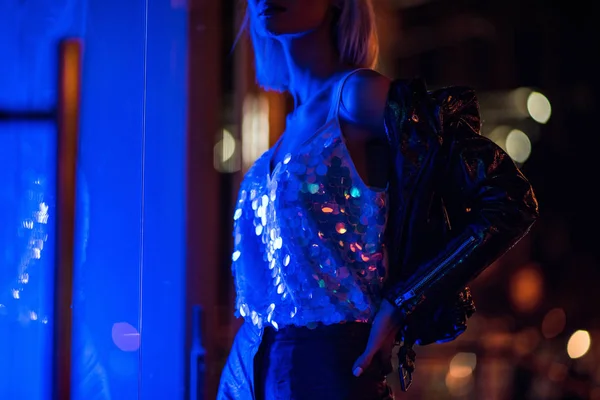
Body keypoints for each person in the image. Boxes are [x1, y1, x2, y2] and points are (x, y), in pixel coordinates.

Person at [218, 0, 539, 399]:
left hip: (326, 372)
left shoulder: (359, 97)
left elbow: (508, 198)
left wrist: (403, 301)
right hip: (247, 371)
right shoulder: (286, 129)